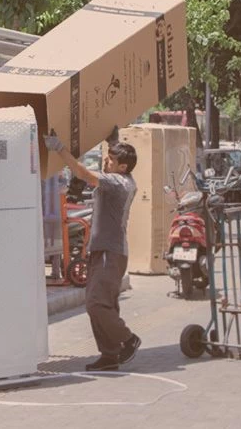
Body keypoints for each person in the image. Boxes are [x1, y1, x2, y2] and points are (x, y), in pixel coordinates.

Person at [43, 126, 141, 371]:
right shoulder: (122, 177)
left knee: (96, 303)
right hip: (104, 250)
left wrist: (59, 148)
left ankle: (128, 339)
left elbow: (81, 172)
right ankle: (110, 355)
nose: (106, 162)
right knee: (102, 303)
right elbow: (114, 158)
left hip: (111, 252)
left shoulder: (118, 182)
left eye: (110, 160)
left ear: (122, 167)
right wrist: (113, 140)